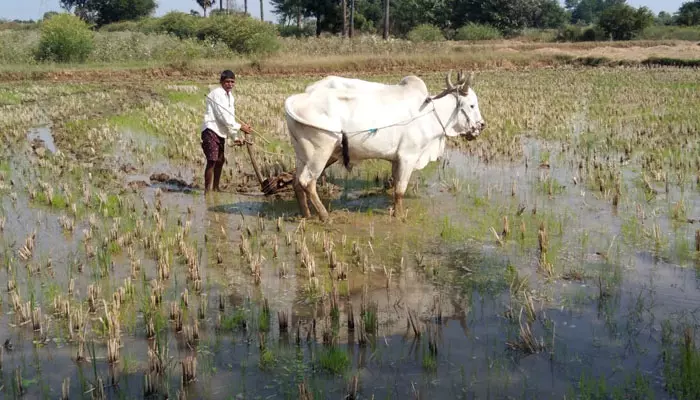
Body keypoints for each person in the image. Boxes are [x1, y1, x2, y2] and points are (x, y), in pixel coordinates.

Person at [201, 70, 253, 193]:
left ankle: (216, 187)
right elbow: (222, 116)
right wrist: (240, 127)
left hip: (221, 131)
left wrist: (235, 137)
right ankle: (207, 190)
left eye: (232, 82)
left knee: (220, 160)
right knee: (212, 160)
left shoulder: (231, 97)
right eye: (227, 82)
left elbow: (230, 118)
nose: (230, 84)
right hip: (211, 129)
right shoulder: (217, 94)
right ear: (221, 82)